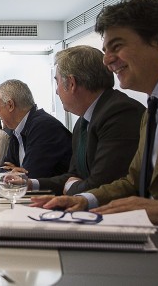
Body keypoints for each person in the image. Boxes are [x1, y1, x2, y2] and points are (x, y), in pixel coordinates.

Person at [32, 0, 158, 238]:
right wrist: (83, 200)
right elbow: (133, 181)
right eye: (105, 50)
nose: (107, 60)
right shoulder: (154, 107)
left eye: (117, 46)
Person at [30, 45, 145, 195]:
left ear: (71, 83)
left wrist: (72, 187)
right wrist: (31, 184)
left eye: (57, 82)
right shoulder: (82, 123)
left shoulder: (120, 113)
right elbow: (72, 176)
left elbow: (103, 184)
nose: (57, 91)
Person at [0, 79, 72, 179]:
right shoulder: (16, 131)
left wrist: (17, 172)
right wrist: (14, 172)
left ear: (10, 105)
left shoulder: (43, 127)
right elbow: (0, 171)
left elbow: (31, 176)